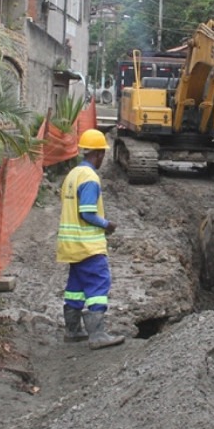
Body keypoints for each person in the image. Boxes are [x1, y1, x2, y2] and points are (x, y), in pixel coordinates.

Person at [57, 128, 125, 350]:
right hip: (88, 245)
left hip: (71, 244)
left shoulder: (73, 175)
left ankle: (73, 330)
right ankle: (97, 335)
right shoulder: (90, 178)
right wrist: (107, 225)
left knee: (76, 287)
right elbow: (86, 212)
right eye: (102, 154)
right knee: (99, 282)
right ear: (97, 154)